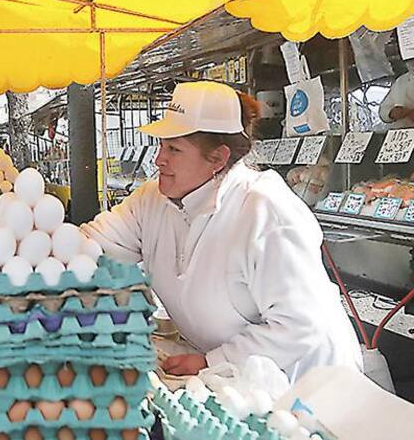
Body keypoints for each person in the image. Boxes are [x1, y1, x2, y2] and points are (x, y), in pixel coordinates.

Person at [81, 81, 362, 381]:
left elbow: (300, 324)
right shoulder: (152, 201)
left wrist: (213, 361)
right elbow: (90, 248)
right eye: (162, 146)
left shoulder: (264, 211)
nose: (159, 159)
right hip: (236, 381)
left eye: (174, 149)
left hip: (308, 382)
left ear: (218, 158)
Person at [379, 59, 414, 129]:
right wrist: (391, 113)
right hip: (401, 134)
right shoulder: (401, 81)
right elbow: (383, 111)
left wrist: (410, 113)